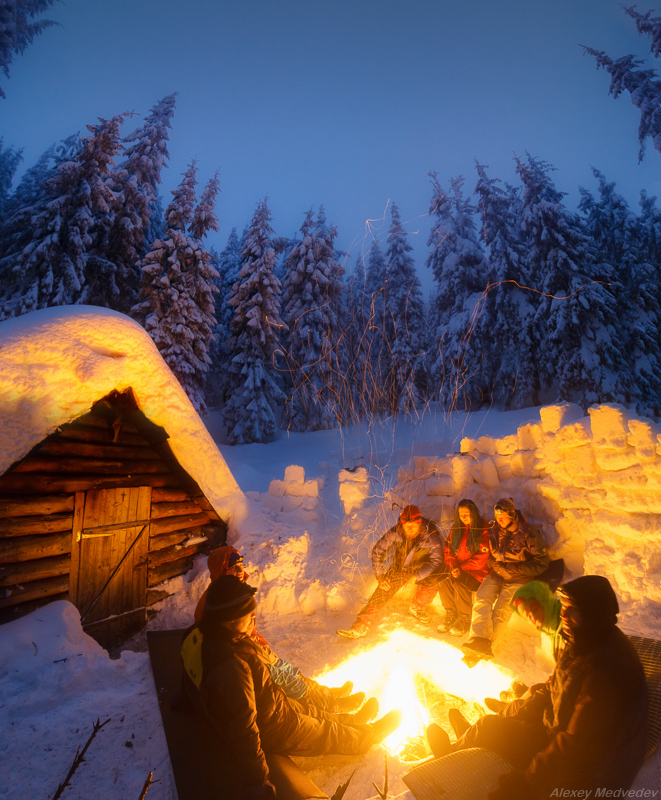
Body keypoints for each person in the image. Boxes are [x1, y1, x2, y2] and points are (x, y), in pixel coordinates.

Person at [426, 575, 649, 800]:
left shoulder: (603, 670)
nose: (564, 613)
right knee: (499, 722)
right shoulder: (583, 642)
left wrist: (524, 786)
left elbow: (575, 748)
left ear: (592, 612)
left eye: (572, 609)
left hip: (591, 769)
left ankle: (450, 759)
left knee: (490, 727)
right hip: (557, 727)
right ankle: (463, 744)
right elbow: (557, 689)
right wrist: (516, 713)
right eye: (563, 606)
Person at [181, 575, 403, 799]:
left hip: (275, 706)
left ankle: (354, 720)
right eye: (248, 616)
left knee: (318, 715)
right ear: (230, 619)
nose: (253, 619)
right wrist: (258, 780)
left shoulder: (199, 634)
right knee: (327, 733)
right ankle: (371, 735)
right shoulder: (230, 665)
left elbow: (190, 675)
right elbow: (243, 727)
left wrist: (185, 700)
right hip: (274, 727)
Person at [196, 546, 364, 714]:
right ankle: (330, 706)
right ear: (221, 570)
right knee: (286, 681)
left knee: (288, 669)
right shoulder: (216, 602)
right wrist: (258, 656)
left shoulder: (234, 590)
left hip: (252, 648)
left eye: (241, 564)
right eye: (233, 567)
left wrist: (262, 648)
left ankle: (327, 695)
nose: (240, 570)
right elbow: (225, 642)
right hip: (244, 659)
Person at [337, 504, 446, 638]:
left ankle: (417, 606)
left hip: (421, 571)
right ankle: (361, 626)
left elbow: (437, 560)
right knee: (382, 593)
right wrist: (380, 576)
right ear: (402, 525)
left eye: (413, 525)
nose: (410, 529)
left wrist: (416, 575)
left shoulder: (431, 535)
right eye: (406, 526)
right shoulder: (397, 532)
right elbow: (378, 550)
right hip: (400, 570)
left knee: (438, 578)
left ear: (419, 523)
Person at [462, 497, 549, 662]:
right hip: (497, 573)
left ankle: (484, 648)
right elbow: (490, 554)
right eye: (497, 517)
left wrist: (515, 569)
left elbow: (542, 563)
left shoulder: (528, 533)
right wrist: (492, 563)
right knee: (481, 598)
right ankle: (476, 643)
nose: (498, 520)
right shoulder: (495, 529)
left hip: (519, 578)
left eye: (502, 517)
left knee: (501, 611)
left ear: (512, 515)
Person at [436, 499, 490, 637]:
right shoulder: (457, 528)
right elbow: (448, 549)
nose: (464, 517)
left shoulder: (483, 528)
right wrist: (453, 565)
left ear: (474, 512)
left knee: (460, 584)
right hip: (458, 568)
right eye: (461, 514)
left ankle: (465, 618)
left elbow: (482, 558)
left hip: (477, 573)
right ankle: (451, 613)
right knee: (443, 580)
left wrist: (461, 568)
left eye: (467, 513)